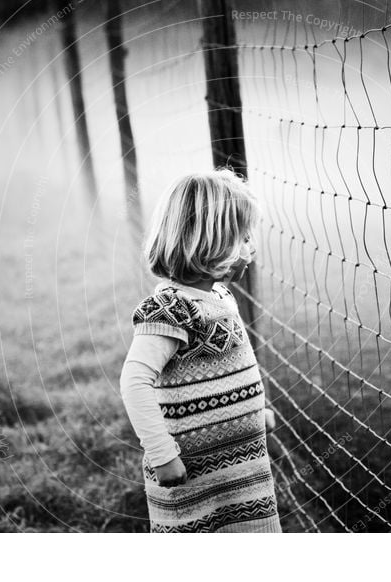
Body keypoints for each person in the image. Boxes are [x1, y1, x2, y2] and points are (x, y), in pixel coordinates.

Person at [119, 168, 282, 533]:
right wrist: (162, 454)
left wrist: (256, 412)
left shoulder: (219, 297)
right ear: (211, 242)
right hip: (193, 476)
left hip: (240, 469)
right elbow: (134, 382)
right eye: (242, 238)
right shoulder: (170, 309)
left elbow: (229, 367)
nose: (250, 247)